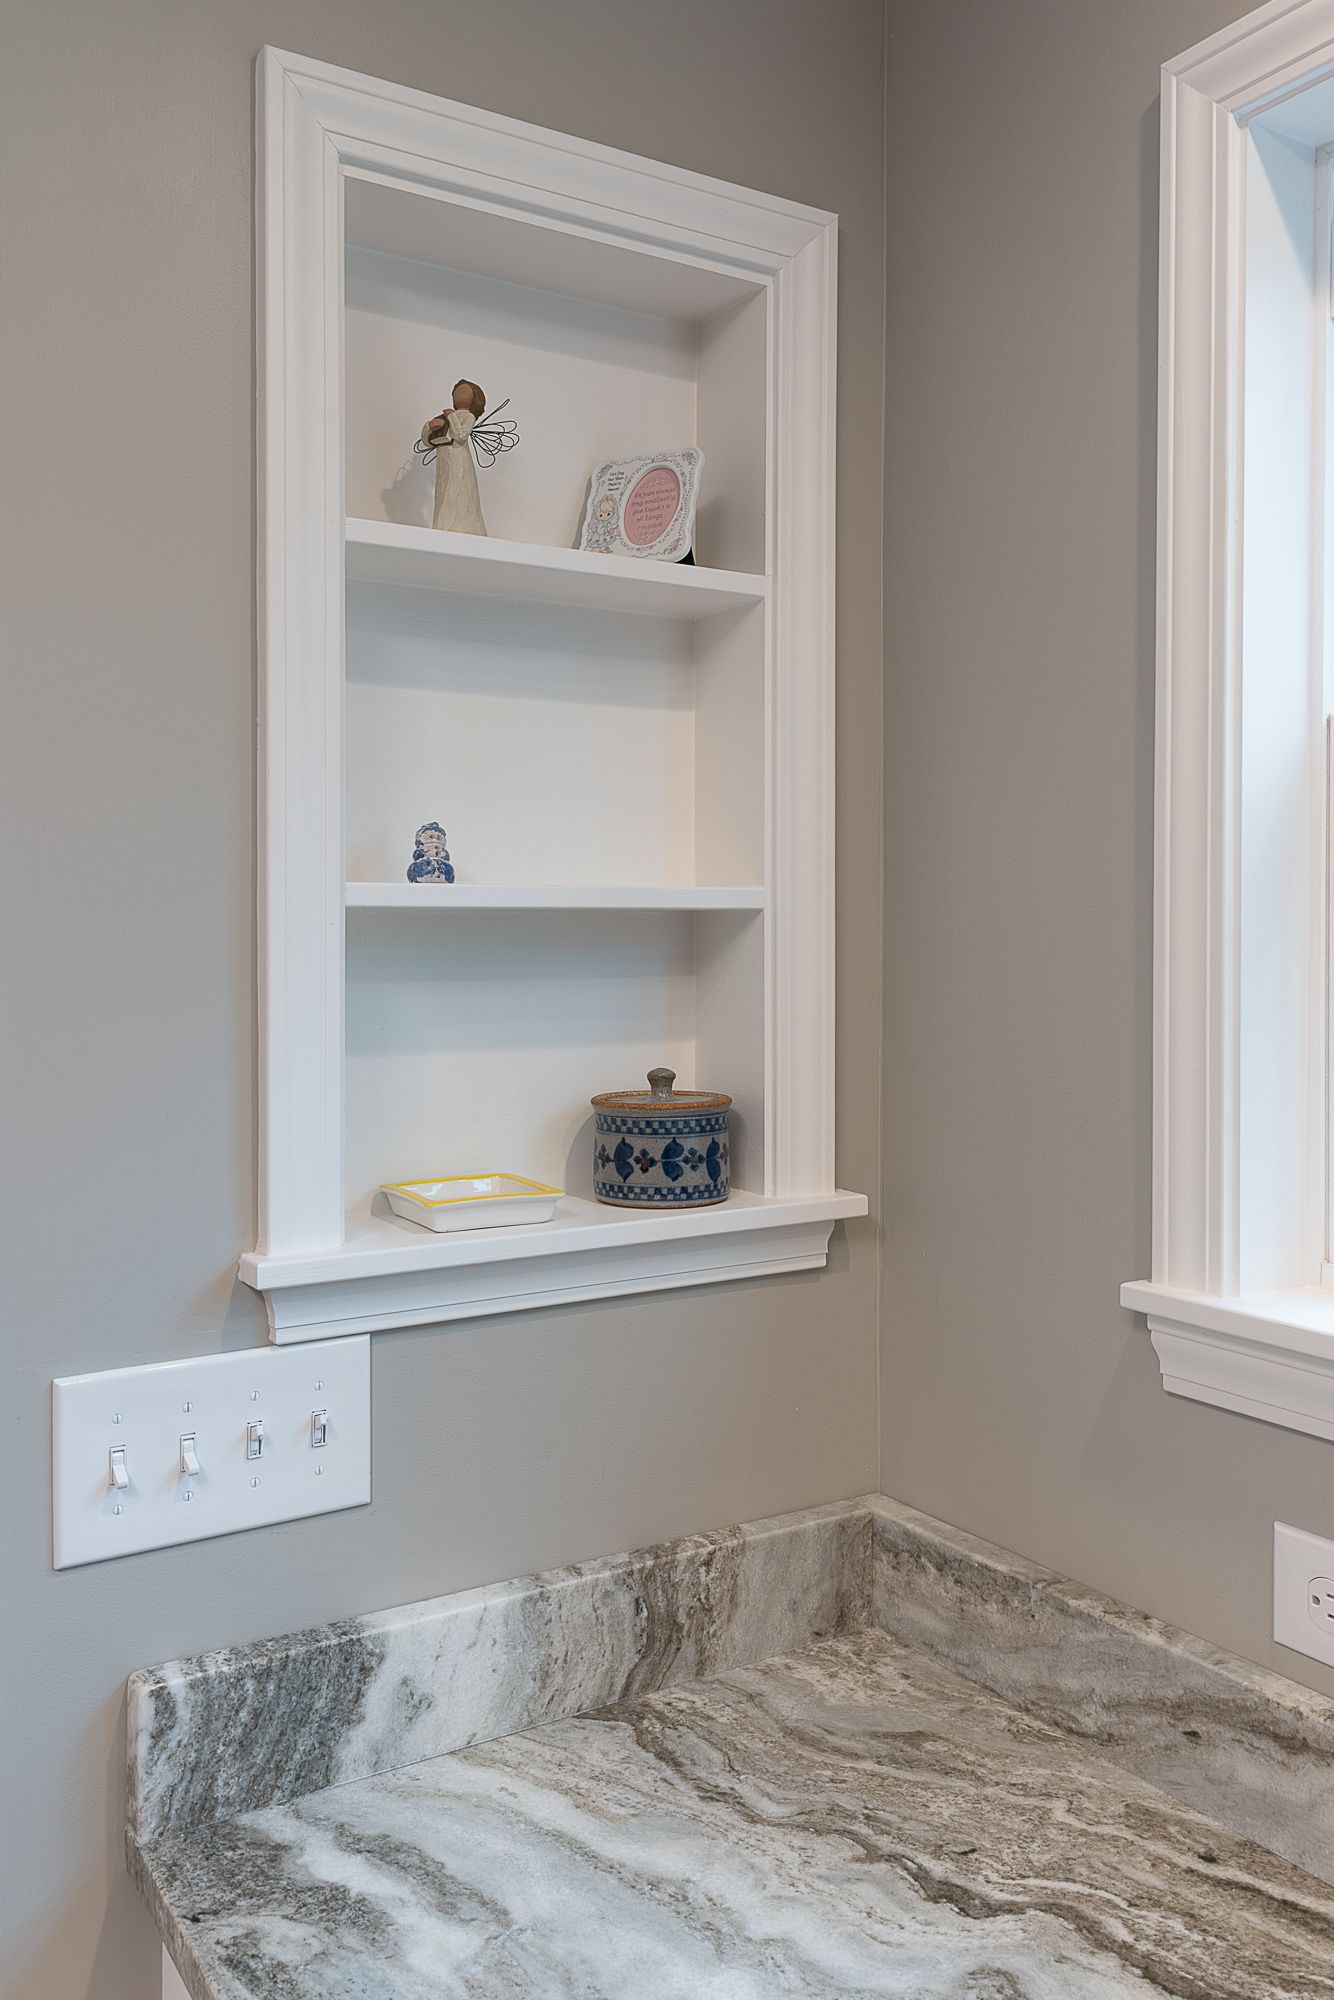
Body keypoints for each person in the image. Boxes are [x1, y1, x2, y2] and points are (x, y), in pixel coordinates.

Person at [421, 379, 488, 535]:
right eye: (458, 390)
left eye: (465, 391)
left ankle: (463, 527)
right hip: (444, 458)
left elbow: (461, 435)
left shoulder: (468, 417)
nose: (460, 393)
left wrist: (451, 417)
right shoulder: (444, 415)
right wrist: (430, 426)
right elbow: (427, 442)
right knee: (444, 491)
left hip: (459, 459)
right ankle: (443, 525)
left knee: (459, 489)